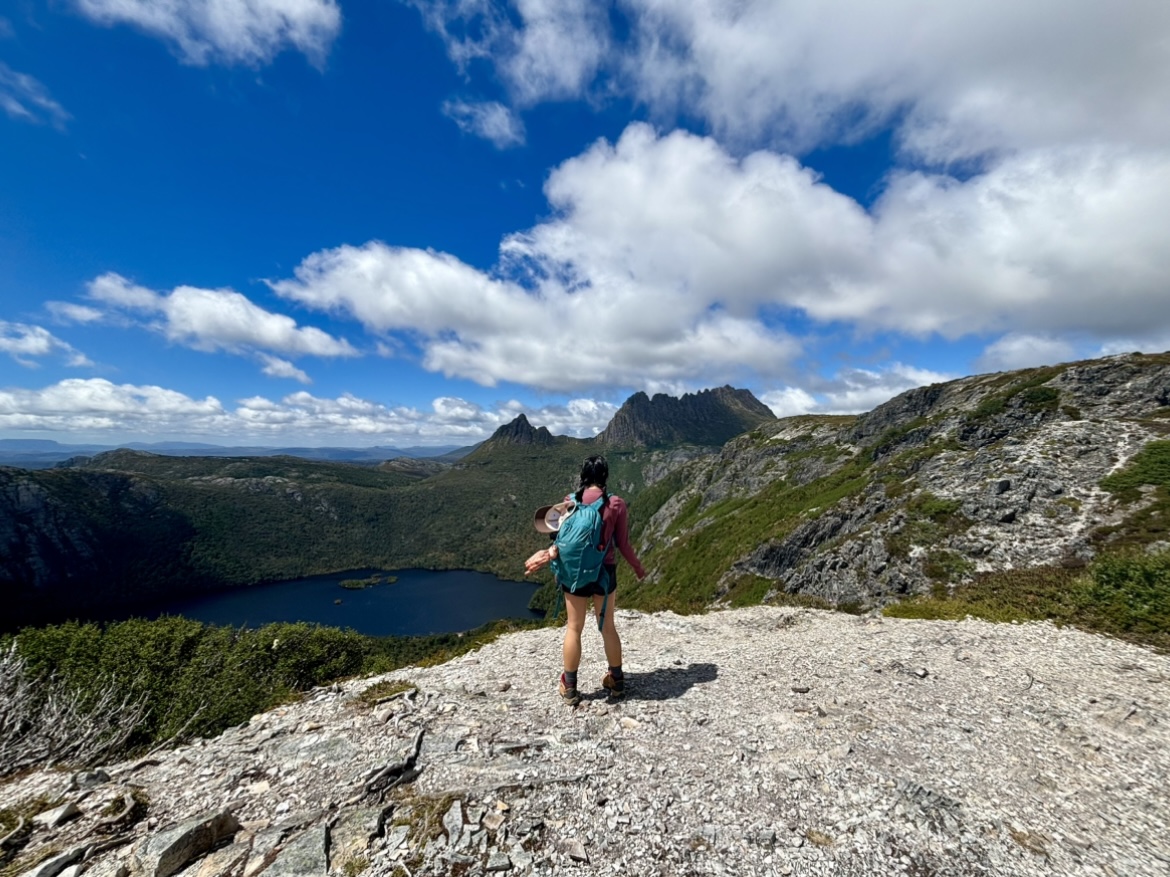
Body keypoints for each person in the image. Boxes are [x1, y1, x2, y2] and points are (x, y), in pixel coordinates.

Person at [525, 454, 646, 706]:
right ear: (605, 476)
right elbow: (623, 544)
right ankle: (616, 681)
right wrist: (637, 567)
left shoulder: (569, 501)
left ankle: (569, 687)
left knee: (574, 627)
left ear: (583, 476)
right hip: (604, 573)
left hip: (575, 575)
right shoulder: (616, 503)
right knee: (607, 627)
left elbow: (558, 539)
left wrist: (548, 555)